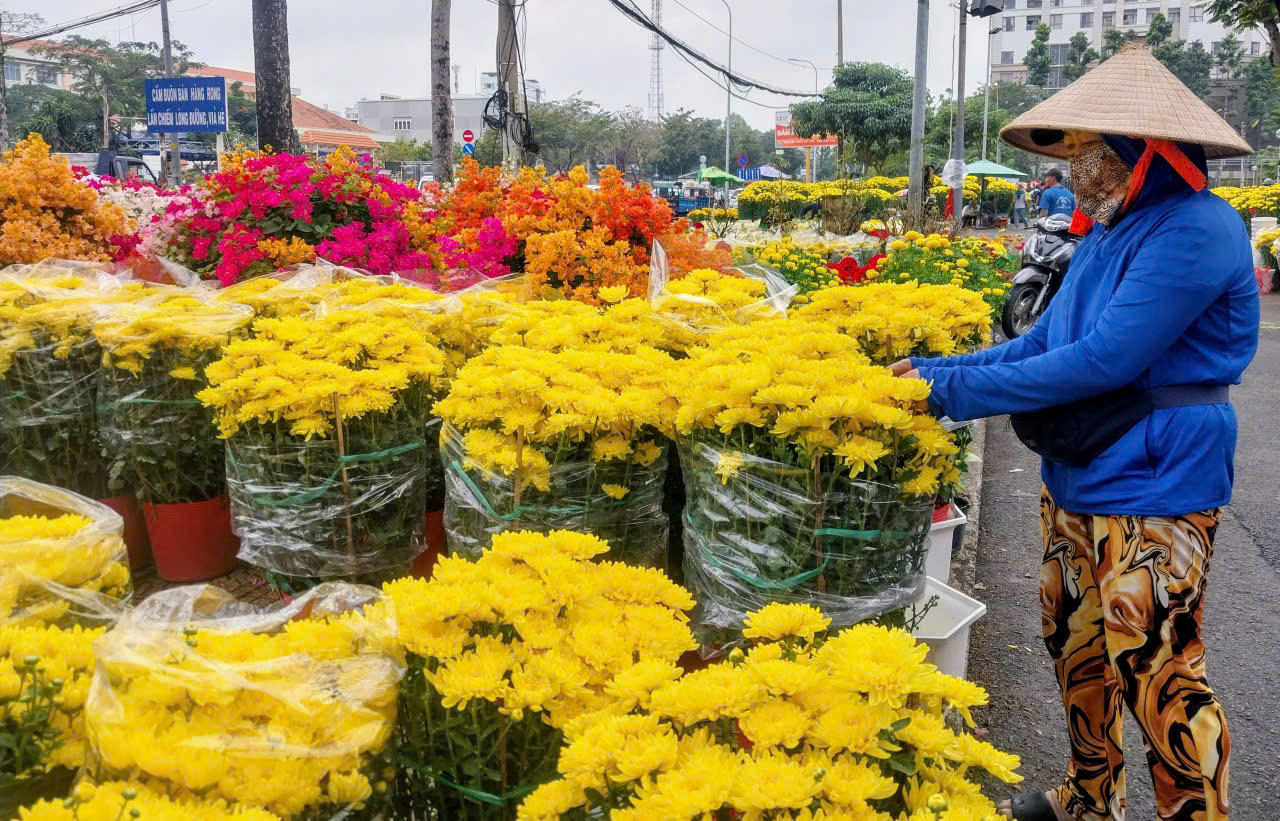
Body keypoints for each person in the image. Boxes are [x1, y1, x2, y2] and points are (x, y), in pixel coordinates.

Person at [892, 43, 1257, 821]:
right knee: (1076, 643)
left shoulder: (1197, 228)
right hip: (1079, 467)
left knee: (1157, 667)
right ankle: (1091, 797)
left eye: (1091, 155)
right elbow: (1040, 344)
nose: (1077, 175)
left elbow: (1104, 359)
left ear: (1142, 150)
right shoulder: (1106, 235)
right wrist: (933, 369)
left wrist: (950, 390)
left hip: (1158, 477)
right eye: (1075, 158)